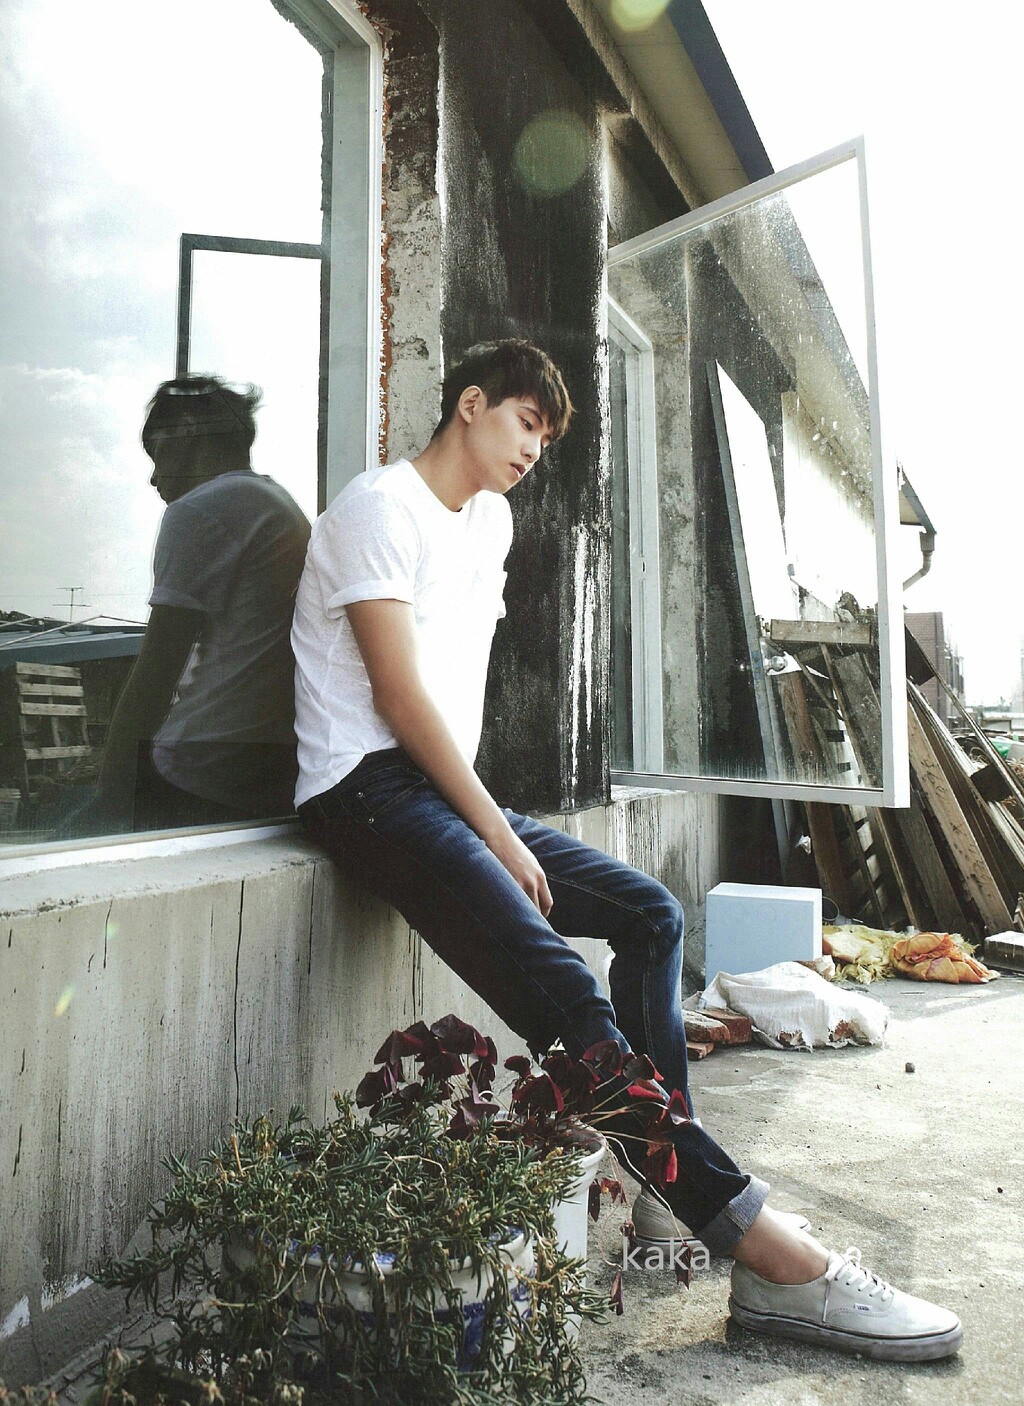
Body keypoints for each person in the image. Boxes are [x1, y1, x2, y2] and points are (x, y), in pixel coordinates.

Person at [292, 339, 961, 1362]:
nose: (534, 450)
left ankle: (665, 1188)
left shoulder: (490, 520)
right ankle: (762, 1249)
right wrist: (495, 830)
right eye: (524, 421)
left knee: (651, 912)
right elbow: (398, 695)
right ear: (470, 404)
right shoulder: (377, 508)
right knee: (569, 994)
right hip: (364, 791)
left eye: (546, 437)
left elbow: (454, 693)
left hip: (440, 790)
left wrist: (486, 818)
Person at [96, 376, 310, 832]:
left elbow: (155, 673)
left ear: (187, 430)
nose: (154, 476)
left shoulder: (203, 507)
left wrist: (110, 794)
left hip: (198, 767)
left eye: (156, 451)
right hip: (268, 768)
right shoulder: (275, 503)